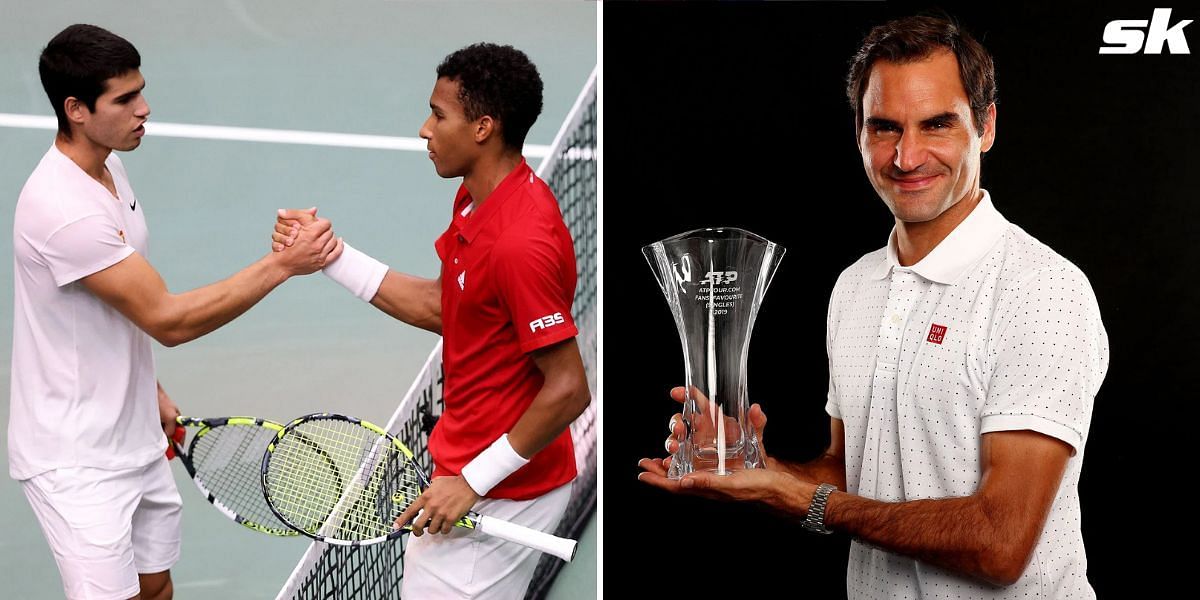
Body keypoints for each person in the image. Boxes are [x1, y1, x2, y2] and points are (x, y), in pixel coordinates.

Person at [639, 14, 1108, 599]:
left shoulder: (1042, 291)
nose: (907, 157)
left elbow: (1000, 542)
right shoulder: (855, 287)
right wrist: (759, 469)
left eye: (936, 124)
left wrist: (811, 503)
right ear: (858, 132)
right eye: (885, 128)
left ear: (985, 126)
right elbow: (849, 474)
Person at [10, 24, 342, 600]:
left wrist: (148, 389)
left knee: (156, 588)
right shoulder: (65, 211)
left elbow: (113, 306)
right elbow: (168, 319)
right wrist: (284, 264)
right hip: (78, 461)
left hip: (134, 429)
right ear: (76, 110)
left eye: (141, 91)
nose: (145, 109)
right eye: (125, 99)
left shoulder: (108, 168)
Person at [274, 43, 590, 599]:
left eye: (439, 114)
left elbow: (567, 390)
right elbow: (445, 307)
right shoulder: (476, 200)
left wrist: (471, 482)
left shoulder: (520, 241)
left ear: (483, 128)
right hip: (478, 471)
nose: (424, 128)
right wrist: (330, 255)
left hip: (503, 491)